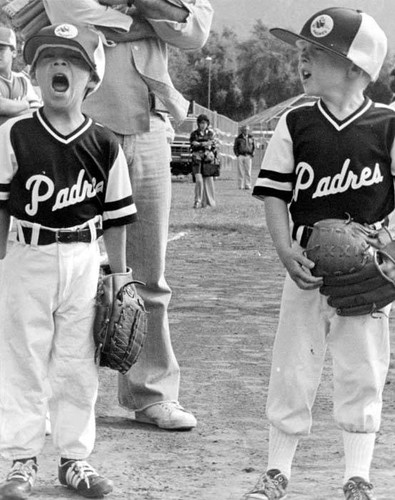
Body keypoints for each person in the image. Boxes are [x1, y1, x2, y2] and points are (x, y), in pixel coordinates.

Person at [243, 7, 392, 500]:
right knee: (292, 365)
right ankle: (277, 471)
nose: (302, 61)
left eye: (317, 54)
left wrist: (391, 259)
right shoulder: (297, 120)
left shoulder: (387, 124)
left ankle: (357, 475)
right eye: (301, 53)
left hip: (368, 266)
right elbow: (273, 194)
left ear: (357, 65)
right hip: (305, 263)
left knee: (363, 369)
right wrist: (285, 251)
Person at [42, 0, 213, 431]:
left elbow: (195, 32)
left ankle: (152, 393)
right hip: (77, 123)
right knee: (54, 271)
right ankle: (44, 397)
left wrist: (134, 9)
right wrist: (147, 24)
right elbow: (71, 15)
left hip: (150, 124)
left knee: (146, 274)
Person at [0, 23, 137, 499]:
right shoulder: (14, 133)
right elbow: (1, 204)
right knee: (23, 357)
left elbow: (117, 218)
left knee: (78, 362)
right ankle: (20, 459)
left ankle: (74, 460)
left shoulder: (104, 142)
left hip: (83, 257)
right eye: (48, 59)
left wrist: (120, 280)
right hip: (27, 255)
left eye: (72, 60)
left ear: (90, 79)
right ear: (34, 74)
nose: (60, 66)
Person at [0, 25, 41, 126]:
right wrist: (25, 104)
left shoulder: (22, 79)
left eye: (1, 49)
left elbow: (37, 111)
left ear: (13, 53)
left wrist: (8, 113)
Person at [190, 113, 218, 208]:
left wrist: (201, 144)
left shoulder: (211, 133)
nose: (203, 125)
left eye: (205, 123)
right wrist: (205, 144)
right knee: (199, 180)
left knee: (208, 180)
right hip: (196, 158)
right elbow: (193, 145)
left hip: (207, 158)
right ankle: (197, 201)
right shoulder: (194, 134)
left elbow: (213, 145)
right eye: (201, 123)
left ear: (207, 124)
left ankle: (208, 202)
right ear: (198, 124)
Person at [233, 124, 254, 190]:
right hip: (241, 155)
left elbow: (254, 147)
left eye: (247, 130)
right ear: (242, 131)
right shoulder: (238, 138)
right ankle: (241, 185)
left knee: (248, 171)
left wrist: (252, 154)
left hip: (248, 155)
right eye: (245, 130)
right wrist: (237, 155)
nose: (246, 131)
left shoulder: (251, 138)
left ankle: (247, 184)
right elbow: (235, 147)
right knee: (241, 171)